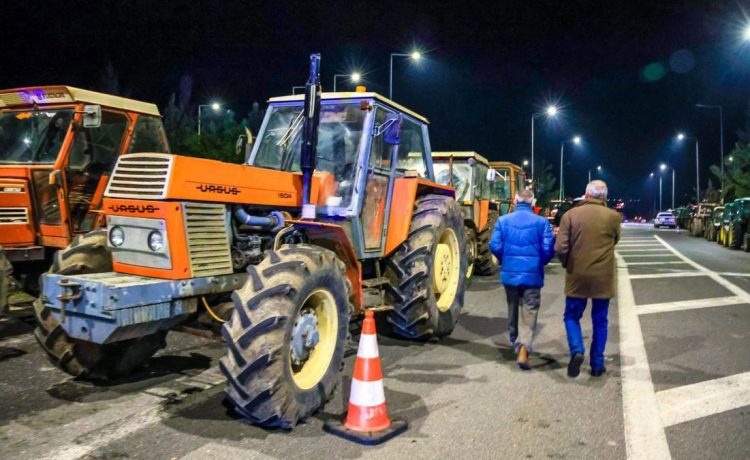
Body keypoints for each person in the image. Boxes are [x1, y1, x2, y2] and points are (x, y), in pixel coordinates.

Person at [554, 180, 621, 378]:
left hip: (577, 275)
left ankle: (577, 349)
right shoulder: (613, 217)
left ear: (587, 194)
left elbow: (560, 248)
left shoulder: (570, 215)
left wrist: (567, 264)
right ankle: (597, 364)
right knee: (600, 320)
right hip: (603, 277)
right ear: (605, 196)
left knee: (571, 316)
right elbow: (616, 240)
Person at [489, 189, 555, 369]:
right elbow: (548, 248)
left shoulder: (503, 221)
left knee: (513, 308)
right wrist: (540, 261)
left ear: (515, 201)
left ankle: (515, 340)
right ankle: (524, 347)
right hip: (532, 273)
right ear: (533, 202)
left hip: (510, 273)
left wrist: (506, 259)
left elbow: (494, 244)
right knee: (530, 309)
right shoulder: (541, 222)